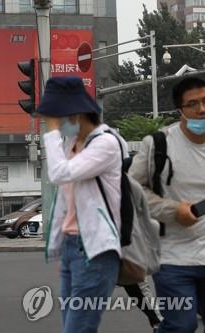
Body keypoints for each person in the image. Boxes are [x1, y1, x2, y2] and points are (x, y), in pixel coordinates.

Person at [37, 77, 124, 333]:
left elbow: (59, 174)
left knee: (77, 329)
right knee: (74, 327)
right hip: (72, 247)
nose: (54, 126)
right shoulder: (71, 145)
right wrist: (58, 244)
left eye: (56, 119)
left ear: (75, 114)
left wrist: (52, 133)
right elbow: (64, 201)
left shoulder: (106, 144)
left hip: (95, 251)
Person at [129, 76, 205, 333]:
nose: (201, 109)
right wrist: (173, 210)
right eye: (192, 104)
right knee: (181, 326)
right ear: (180, 110)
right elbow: (132, 191)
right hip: (172, 257)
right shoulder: (158, 145)